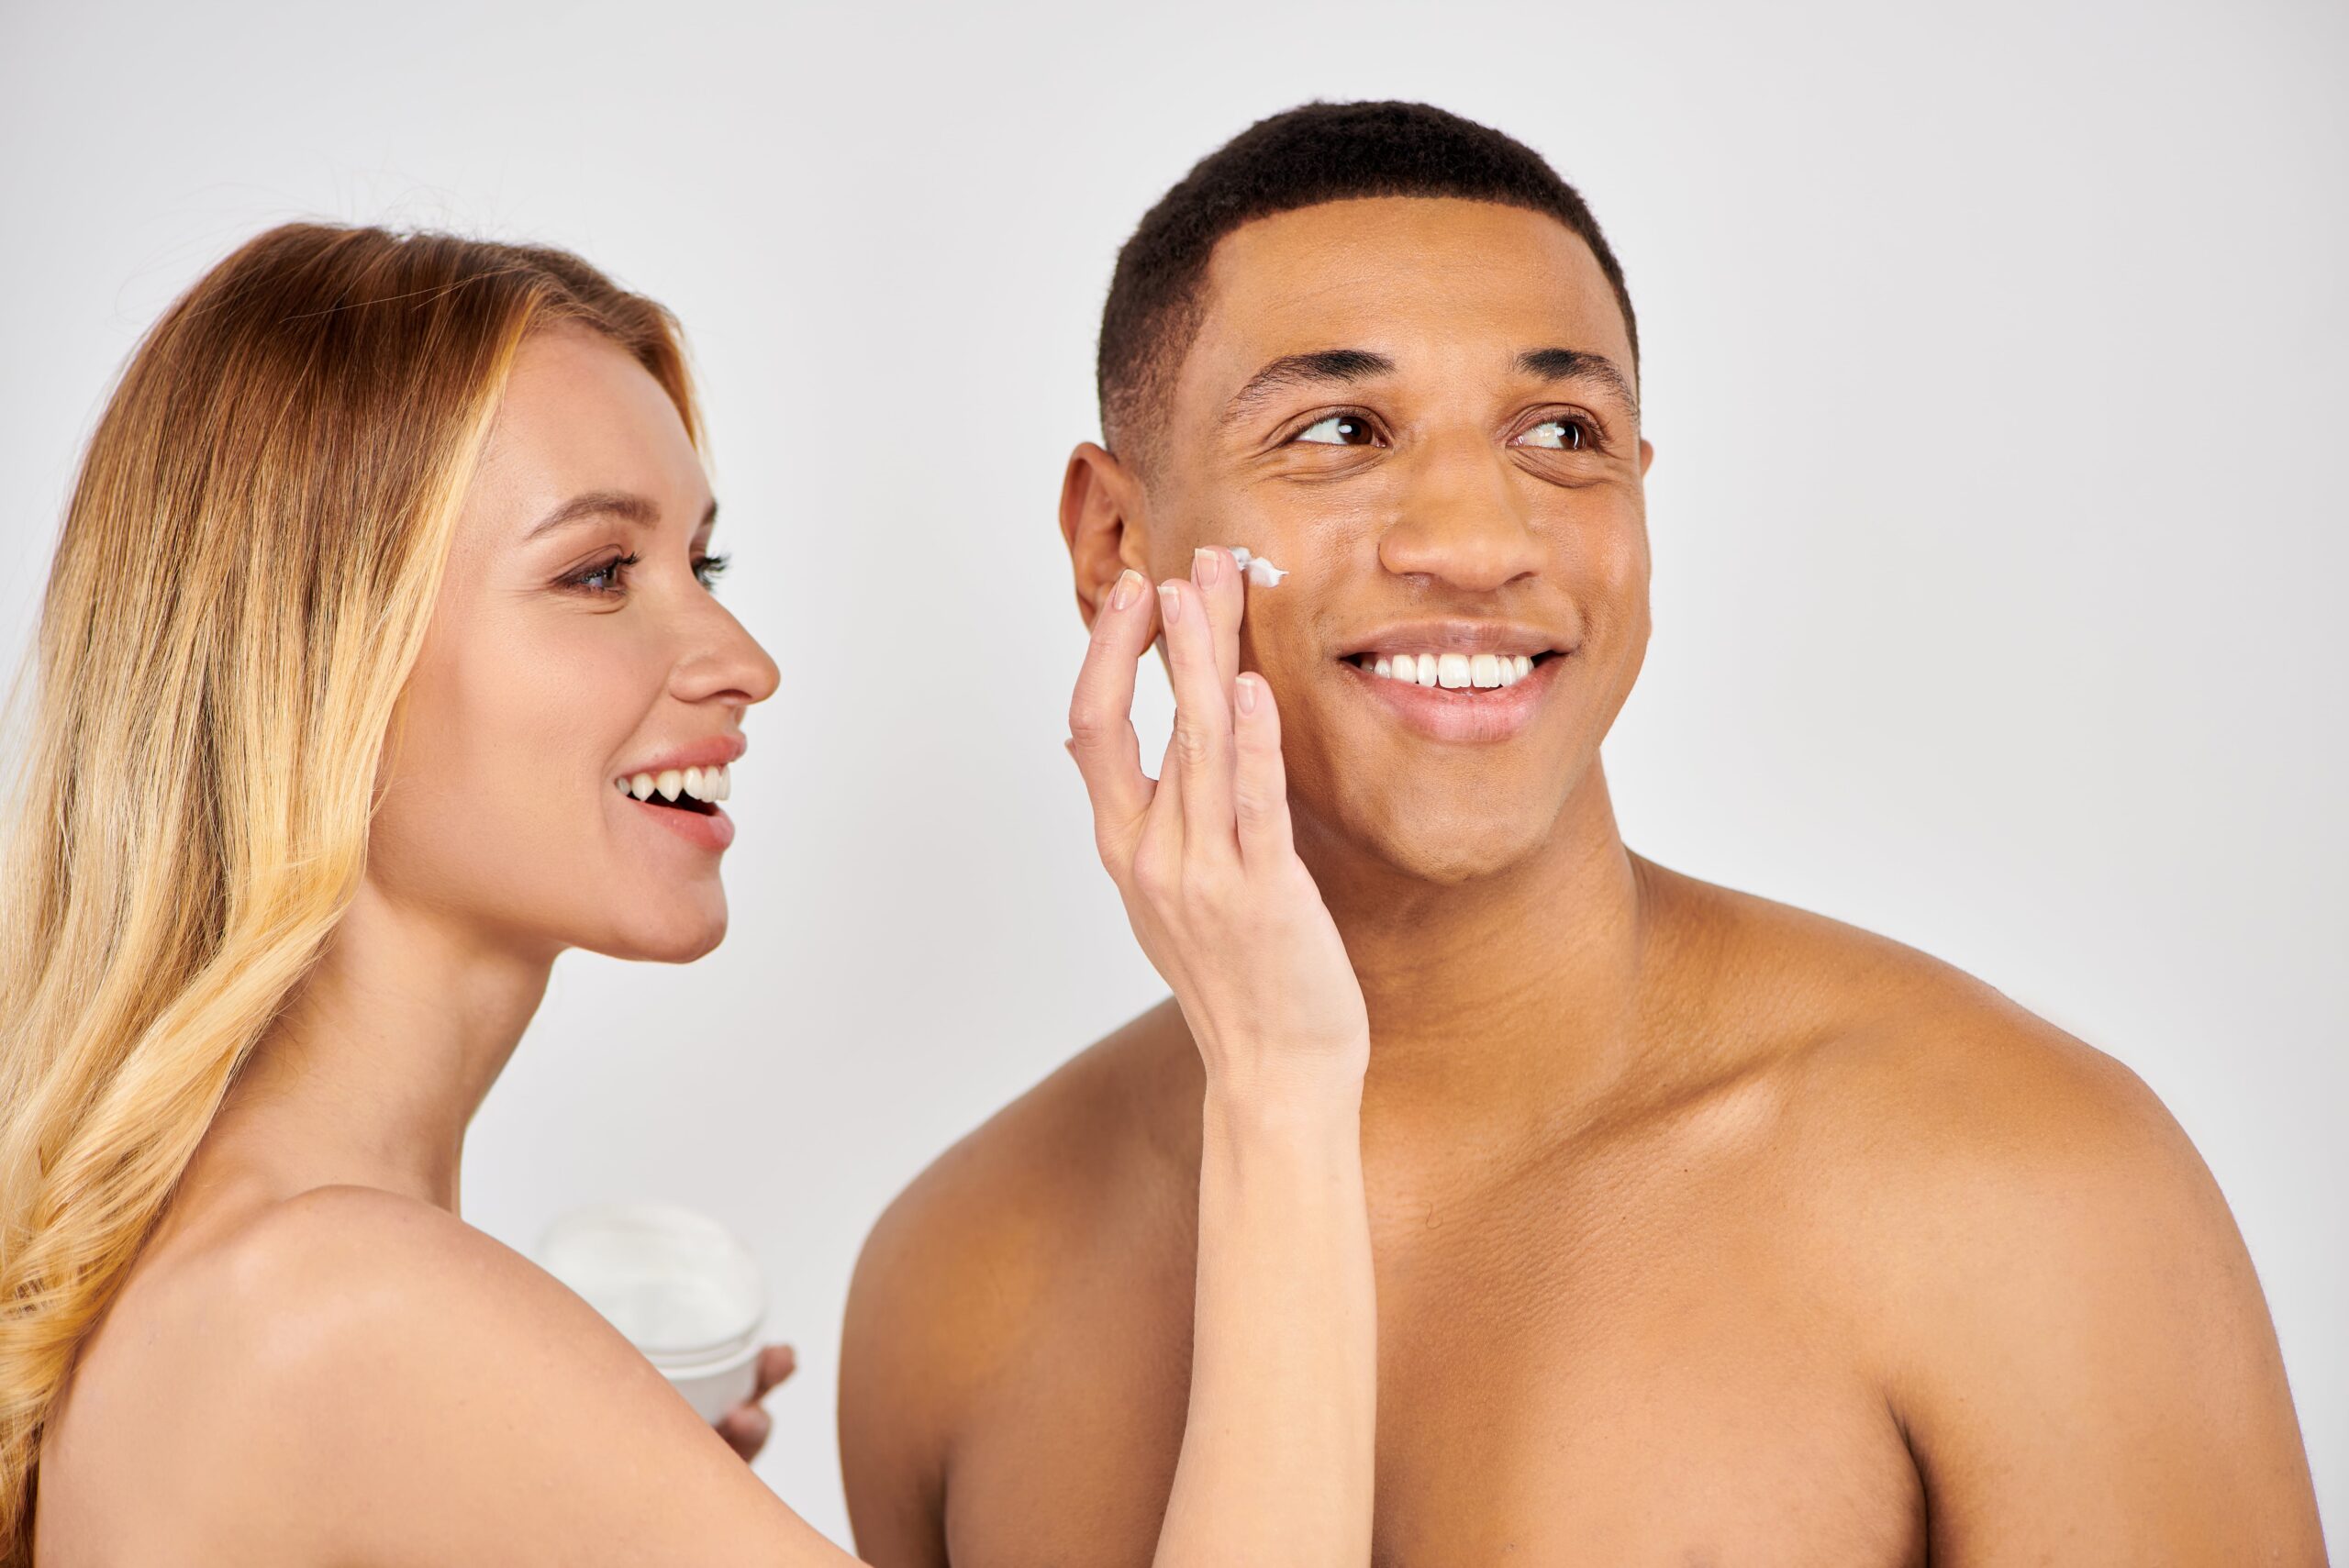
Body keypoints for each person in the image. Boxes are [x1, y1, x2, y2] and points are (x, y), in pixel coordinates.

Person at [839, 100, 2328, 1563]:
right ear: (1116, 541)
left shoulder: (2019, 1187)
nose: (1483, 542)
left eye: (1562, 433)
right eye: (1340, 430)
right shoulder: (961, 1280)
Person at [0, 224, 1378, 1565]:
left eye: (700, 565)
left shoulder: (252, 1281)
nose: (742, 658)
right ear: (312, 667)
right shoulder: (342, 1308)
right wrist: (1281, 1075)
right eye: (600, 573)